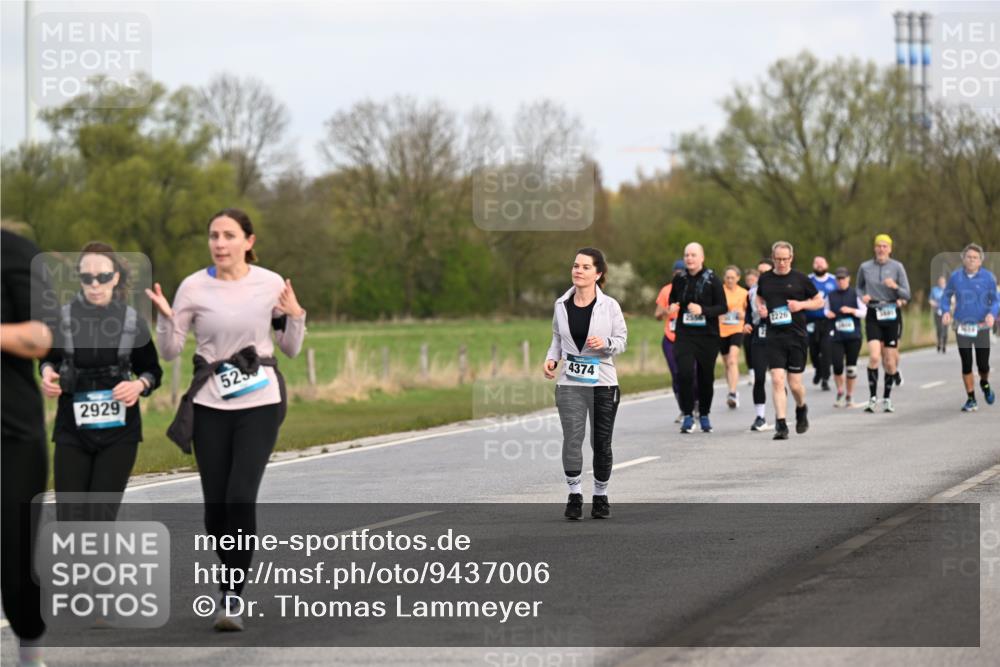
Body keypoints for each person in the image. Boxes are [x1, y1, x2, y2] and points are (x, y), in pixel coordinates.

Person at [147, 208, 307, 631]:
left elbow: (290, 348)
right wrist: (165, 320)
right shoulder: (193, 286)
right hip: (210, 404)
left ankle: (232, 595)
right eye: (214, 235)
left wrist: (296, 315)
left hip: (260, 401)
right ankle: (231, 571)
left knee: (240, 497)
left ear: (248, 242)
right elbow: (170, 352)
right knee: (216, 511)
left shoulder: (270, 283)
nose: (219, 243)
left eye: (229, 235)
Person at [40, 243, 162, 514]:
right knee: (69, 517)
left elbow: (152, 371)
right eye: (87, 278)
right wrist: (47, 373)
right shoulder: (63, 318)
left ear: (115, 277)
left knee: (99, 515)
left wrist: (138, 385)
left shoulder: (132, 321)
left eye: (103, 277)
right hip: (72, 430)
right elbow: (48, 359)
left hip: (120, 433)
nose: (95, 284)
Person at [1, 229, 56, 667]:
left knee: (14, 562)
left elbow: (41, 338)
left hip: (11, 433)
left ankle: (30, 652)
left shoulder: (14, 252)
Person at [544, 248, 627, 520]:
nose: (578, 271)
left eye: (585, 267)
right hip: (570, 382)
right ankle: (575, 494)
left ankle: (600, 496)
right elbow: (557, 338)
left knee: (601, 442)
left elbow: (621, 341)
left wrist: (605, 343)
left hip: (603, 383)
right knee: (572, 439)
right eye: (576, 265)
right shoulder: (561, 304)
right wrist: (552, 359)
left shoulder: (610, 306)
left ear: (598, 274)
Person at [755, 241, 824, 440]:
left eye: (785, 259)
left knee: (794, 385)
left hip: (797, 336)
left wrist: (801, 305)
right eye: (778, 259)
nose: (782, 263)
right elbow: (759, 297)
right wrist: (761, 308)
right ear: (773, 258)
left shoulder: (801, 279)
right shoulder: (765, 278)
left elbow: (819, 301)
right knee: (777, 379)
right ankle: (781, 424)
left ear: (791, 258)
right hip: (774, 336)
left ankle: (801, 407)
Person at [667, 243, 727, 434]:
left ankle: (704, 414)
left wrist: (703, 310)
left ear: (702, 258)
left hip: (708, 336)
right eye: (686, 255)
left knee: (705, 377)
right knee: (684, 373)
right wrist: (672, 306)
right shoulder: (680, 279)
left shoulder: (712, 279)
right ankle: (687, 415)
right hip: (684, 335)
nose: (689, 258)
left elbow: (723, 307)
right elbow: (672, 299)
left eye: (693, 255)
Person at [856, 234, 911, 413]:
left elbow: (907, 294)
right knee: (874, 357)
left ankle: (887, 398)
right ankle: (872, 398)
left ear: (890, 249)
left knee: (889, 361)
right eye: (878, 246)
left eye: (885, 246)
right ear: (874, 248)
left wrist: (895, 286)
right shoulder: (865, 267)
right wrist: (862, 296)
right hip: (873, 312)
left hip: (891, 313)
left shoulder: (897, 267)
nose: (881, 249)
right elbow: (858, 287)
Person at [940, 243, 997, 412]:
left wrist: (992, 314)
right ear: (963, 259)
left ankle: (984, 383)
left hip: (981, 326)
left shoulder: (988, 277)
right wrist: (945, 311)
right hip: (962, 326)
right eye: (969, 257)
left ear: (980, 261)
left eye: (975, 258)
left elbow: (996, 301)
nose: (972, 260)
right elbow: (946, 297)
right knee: (966, 363)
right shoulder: (955, 277)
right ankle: (971, 398)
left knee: (983, 365)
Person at [825, 267, 866, 408]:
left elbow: (865, 312)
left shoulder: (856, 294)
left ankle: (850, 395)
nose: (841, 281)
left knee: (851, 368)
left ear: (848, 279)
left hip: (853, 336)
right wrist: (827, 313)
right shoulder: (830, 295)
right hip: (837, 336)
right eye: (838, 279)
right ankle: (840, 391)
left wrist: (852, 310)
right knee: (837, 366)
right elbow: (825, 309)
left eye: (843, 278)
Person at [743, 259, 774, 431]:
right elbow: (749, 312)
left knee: (778, 378)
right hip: (759, 335)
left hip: (778, 336)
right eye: (760, 272)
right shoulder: (752, 291)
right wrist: (747, 323)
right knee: (759, 377)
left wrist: (770, 314)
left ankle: (781, 414)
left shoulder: (781, 288)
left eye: (766, 272)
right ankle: (760, 416)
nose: (762, 275)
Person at [654, 259, 687, 422]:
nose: (679, 275)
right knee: (676, 374)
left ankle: (695, 403)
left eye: (682, 273)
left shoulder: (692, 288)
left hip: (688, 339)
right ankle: (683, 408)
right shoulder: (666, 290)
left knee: (692, 374)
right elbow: (657, 315)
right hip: (670, 338)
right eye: (676, 273)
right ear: (673, 273)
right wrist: (667, 311)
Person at [807, 256, 837, 391]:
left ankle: (825, 378)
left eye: (821, 263)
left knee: (826, 350)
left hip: (828, 322)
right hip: (811, 320)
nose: (819, 265)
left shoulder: (834, 280)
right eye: (816, 263)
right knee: (813, 351)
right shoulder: (807, 280)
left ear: (827, 264)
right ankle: (818, 369)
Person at [720, 266, 747, 409]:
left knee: (732, 359)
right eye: (727, 278)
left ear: (738, 278)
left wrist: (743, 314)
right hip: (721, 330)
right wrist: (718, 314)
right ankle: (731, 389)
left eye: (732, 278)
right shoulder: (719, 291)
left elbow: (750, 312)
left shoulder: (744, 293)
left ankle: (733, 392)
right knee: (727, 363)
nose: (730, 280)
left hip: (737, 328)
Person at [743, 268, 760, 386]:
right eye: (748, 280)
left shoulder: (761, 289)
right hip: (747, 323)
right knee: (748, 347)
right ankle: (751, 371)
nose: (750, 282)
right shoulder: (743, 292)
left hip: (760, 322)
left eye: (752, 279)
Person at [929, 275, 949, 353]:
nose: (941, 283)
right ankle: (939, 342)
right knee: (939, 328)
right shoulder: (934, 290)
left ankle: (944, 345)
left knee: (945, 329)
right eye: (940, 282)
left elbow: (953, 299)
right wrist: (934, 304)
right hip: (937, 312)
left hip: (946, 313)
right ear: (938, 282)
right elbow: (930, 300)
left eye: (943, 282)